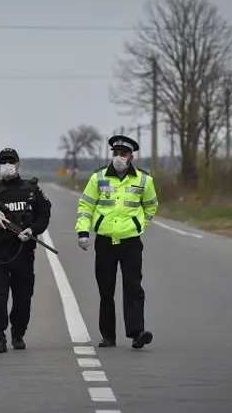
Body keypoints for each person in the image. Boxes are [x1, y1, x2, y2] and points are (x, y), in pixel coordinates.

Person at [75, 135, 159, 349]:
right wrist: (83, 232)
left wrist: (139, 225)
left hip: (130, 242)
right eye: (116, 153)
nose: (119, 157)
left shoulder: (143, 180)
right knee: (106, 290)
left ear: (131, 156)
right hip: (104, 242)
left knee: (133, 287)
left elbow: (151, 206)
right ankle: (108, 336)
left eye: (123, 154)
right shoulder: (98, 178)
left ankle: (136, 333)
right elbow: (86, 206)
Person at [0, 147, 52, 354]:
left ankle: (18, 333)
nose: (7, 166)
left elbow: (44, 213)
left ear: (17, 164)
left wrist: (33, 229)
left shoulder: (31, 191)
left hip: (23, 253)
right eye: (3, 162)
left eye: (10, 162)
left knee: (23, 297)